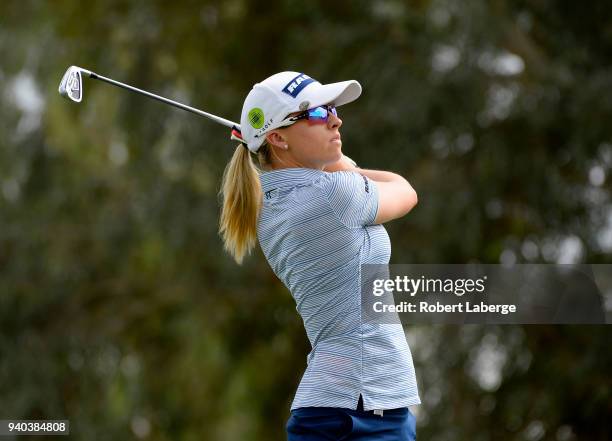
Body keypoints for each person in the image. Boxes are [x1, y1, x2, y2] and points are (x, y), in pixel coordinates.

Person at [218, 71, 421, 440]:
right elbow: (405, 191)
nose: (334, 119)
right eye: (314, 113)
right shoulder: (333, 195)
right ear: (278, 138)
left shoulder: (271, 207)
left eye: (331, 109)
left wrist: (335, 164)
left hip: (344, 405)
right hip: (363, 408)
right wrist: (344, 164)